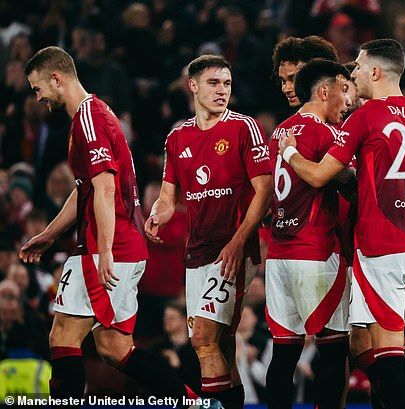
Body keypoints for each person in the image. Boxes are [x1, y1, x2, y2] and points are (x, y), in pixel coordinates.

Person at [279, 39, 405, 409]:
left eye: (358, 67)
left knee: (389, 352)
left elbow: (317, 176)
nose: (354, 73)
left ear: (375, 72)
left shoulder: (365, 117)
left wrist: (289, 151)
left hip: (381, 247)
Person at [19, 46, 196, 401]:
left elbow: (104, 188)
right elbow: (85, 188)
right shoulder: (95, 114)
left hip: (107, 246)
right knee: (115, 348)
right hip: (123, 244)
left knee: (62, 337)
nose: (37, 98)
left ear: (56, 79)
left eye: (38, 89)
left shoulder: (88, 120)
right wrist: (49, 235)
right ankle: (191, 402)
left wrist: (102, 252)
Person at [145, 54, 272, 408]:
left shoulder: (244, 128)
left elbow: (264, 192)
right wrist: (158, 214)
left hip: (232, 251)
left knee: (202, 338)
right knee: (221, 348)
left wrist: (237, 242)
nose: (222, 91)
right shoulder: (177, 138)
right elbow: (169, 198)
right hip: (196, 254)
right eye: (214, 83)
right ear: (193, 86)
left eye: (227, 84)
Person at [266, 58, 351, 409]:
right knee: (334, 350)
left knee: (284, 354)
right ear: (323, 91)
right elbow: (350, 182)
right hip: (315, 253)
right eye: (342, 92)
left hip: (279, 257)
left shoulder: (280, 130)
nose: (346, 102)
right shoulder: (326, 133)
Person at [271, 35, 338, 109]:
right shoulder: (293, 119)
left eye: (293, 79)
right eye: (283, 81)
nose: (286, 89)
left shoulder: (348, 113)